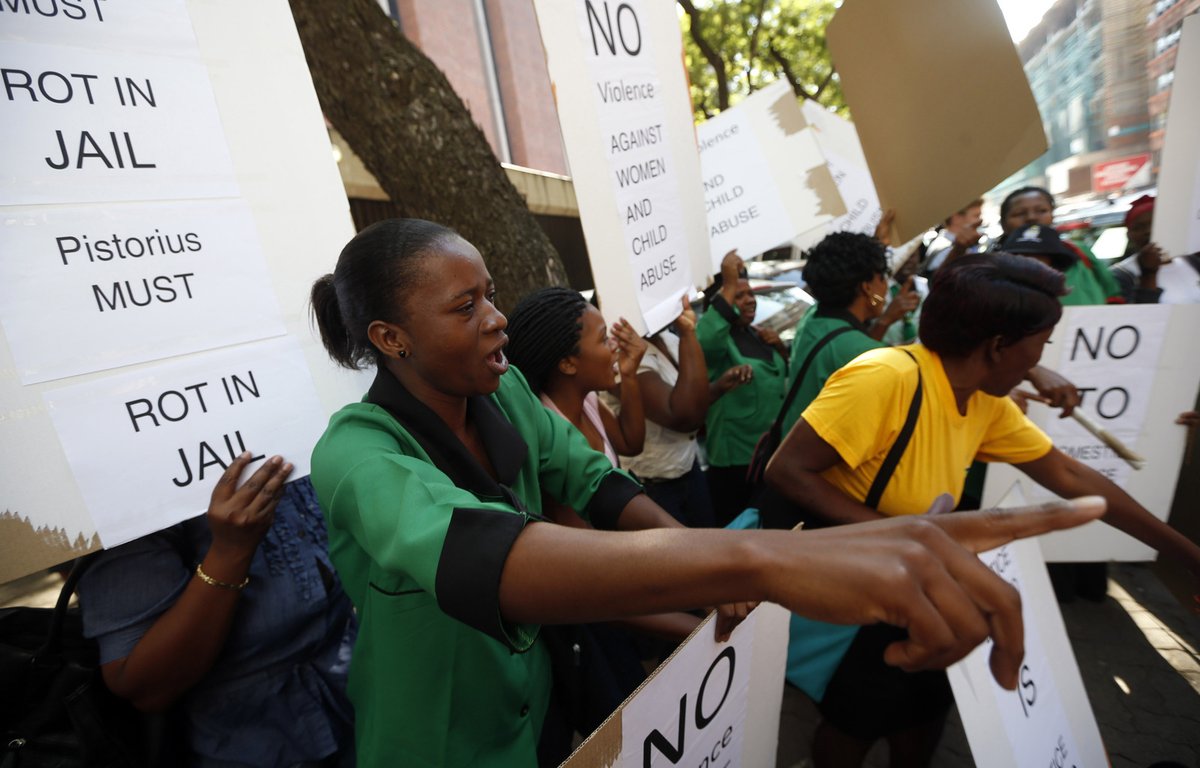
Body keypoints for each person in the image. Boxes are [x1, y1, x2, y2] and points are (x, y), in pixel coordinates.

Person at [307, 218, 1106, 768]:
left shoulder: (506, 391)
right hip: (439, 739)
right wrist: (750, 562)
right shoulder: (356, 452)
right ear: (389, 338)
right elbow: (489, 558)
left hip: (544, 707)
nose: (496, 321)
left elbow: (594, 484)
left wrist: (716, 572)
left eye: (489, 294)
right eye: (466, 306)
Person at [764, 253, 1200, 768]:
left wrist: (1186, 553)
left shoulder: (982, 397)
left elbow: (1071, 476)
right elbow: (786, 472)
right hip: (862, 585)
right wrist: (907, 536)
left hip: (924, 577)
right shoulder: (884, 378)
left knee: (924, 711)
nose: (1041, 360)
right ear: (996, 347)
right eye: (1041, 345)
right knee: (854, 721)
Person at [77, 456, 357, 767]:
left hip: (362, 705)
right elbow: (144, 686)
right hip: (244, 745)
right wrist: (230, 552)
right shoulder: (133, 495)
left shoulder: (298, 442)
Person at [607, 296, 720, 527]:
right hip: (654, 486)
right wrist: (688, 334)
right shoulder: (623, 354)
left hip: (688, 466)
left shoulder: (668, 338)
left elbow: (696, 396)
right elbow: (683, 414)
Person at [697, 250, 789, 525]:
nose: (750, 300)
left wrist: (781, 352)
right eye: (739, 295)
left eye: (751, 294)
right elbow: (705, 339)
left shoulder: (759, 334)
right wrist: (727, 283)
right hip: (735, 465)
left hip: (769, 457)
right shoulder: (717, 341)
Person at [998, 186, 1124, 305]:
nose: (1031, 217)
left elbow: (1112, 290)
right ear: (1003, 223)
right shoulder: (993, 265)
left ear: (1052, 215)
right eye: (1020, 213)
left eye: (1041, 211)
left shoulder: (1078, 250)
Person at [1109, 194, 1200, 304]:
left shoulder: (1190, 260)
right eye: (1138, 227)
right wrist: (1149, 274)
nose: (1148, 231)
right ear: (1129, 235)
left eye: (1154, 224)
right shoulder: (1120, 275)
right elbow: (1138, 317)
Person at [920, 198, 985, 275]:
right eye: (976, 216)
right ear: (956, 218)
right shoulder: (945, 250)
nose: (980, 221)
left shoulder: (943, 244)